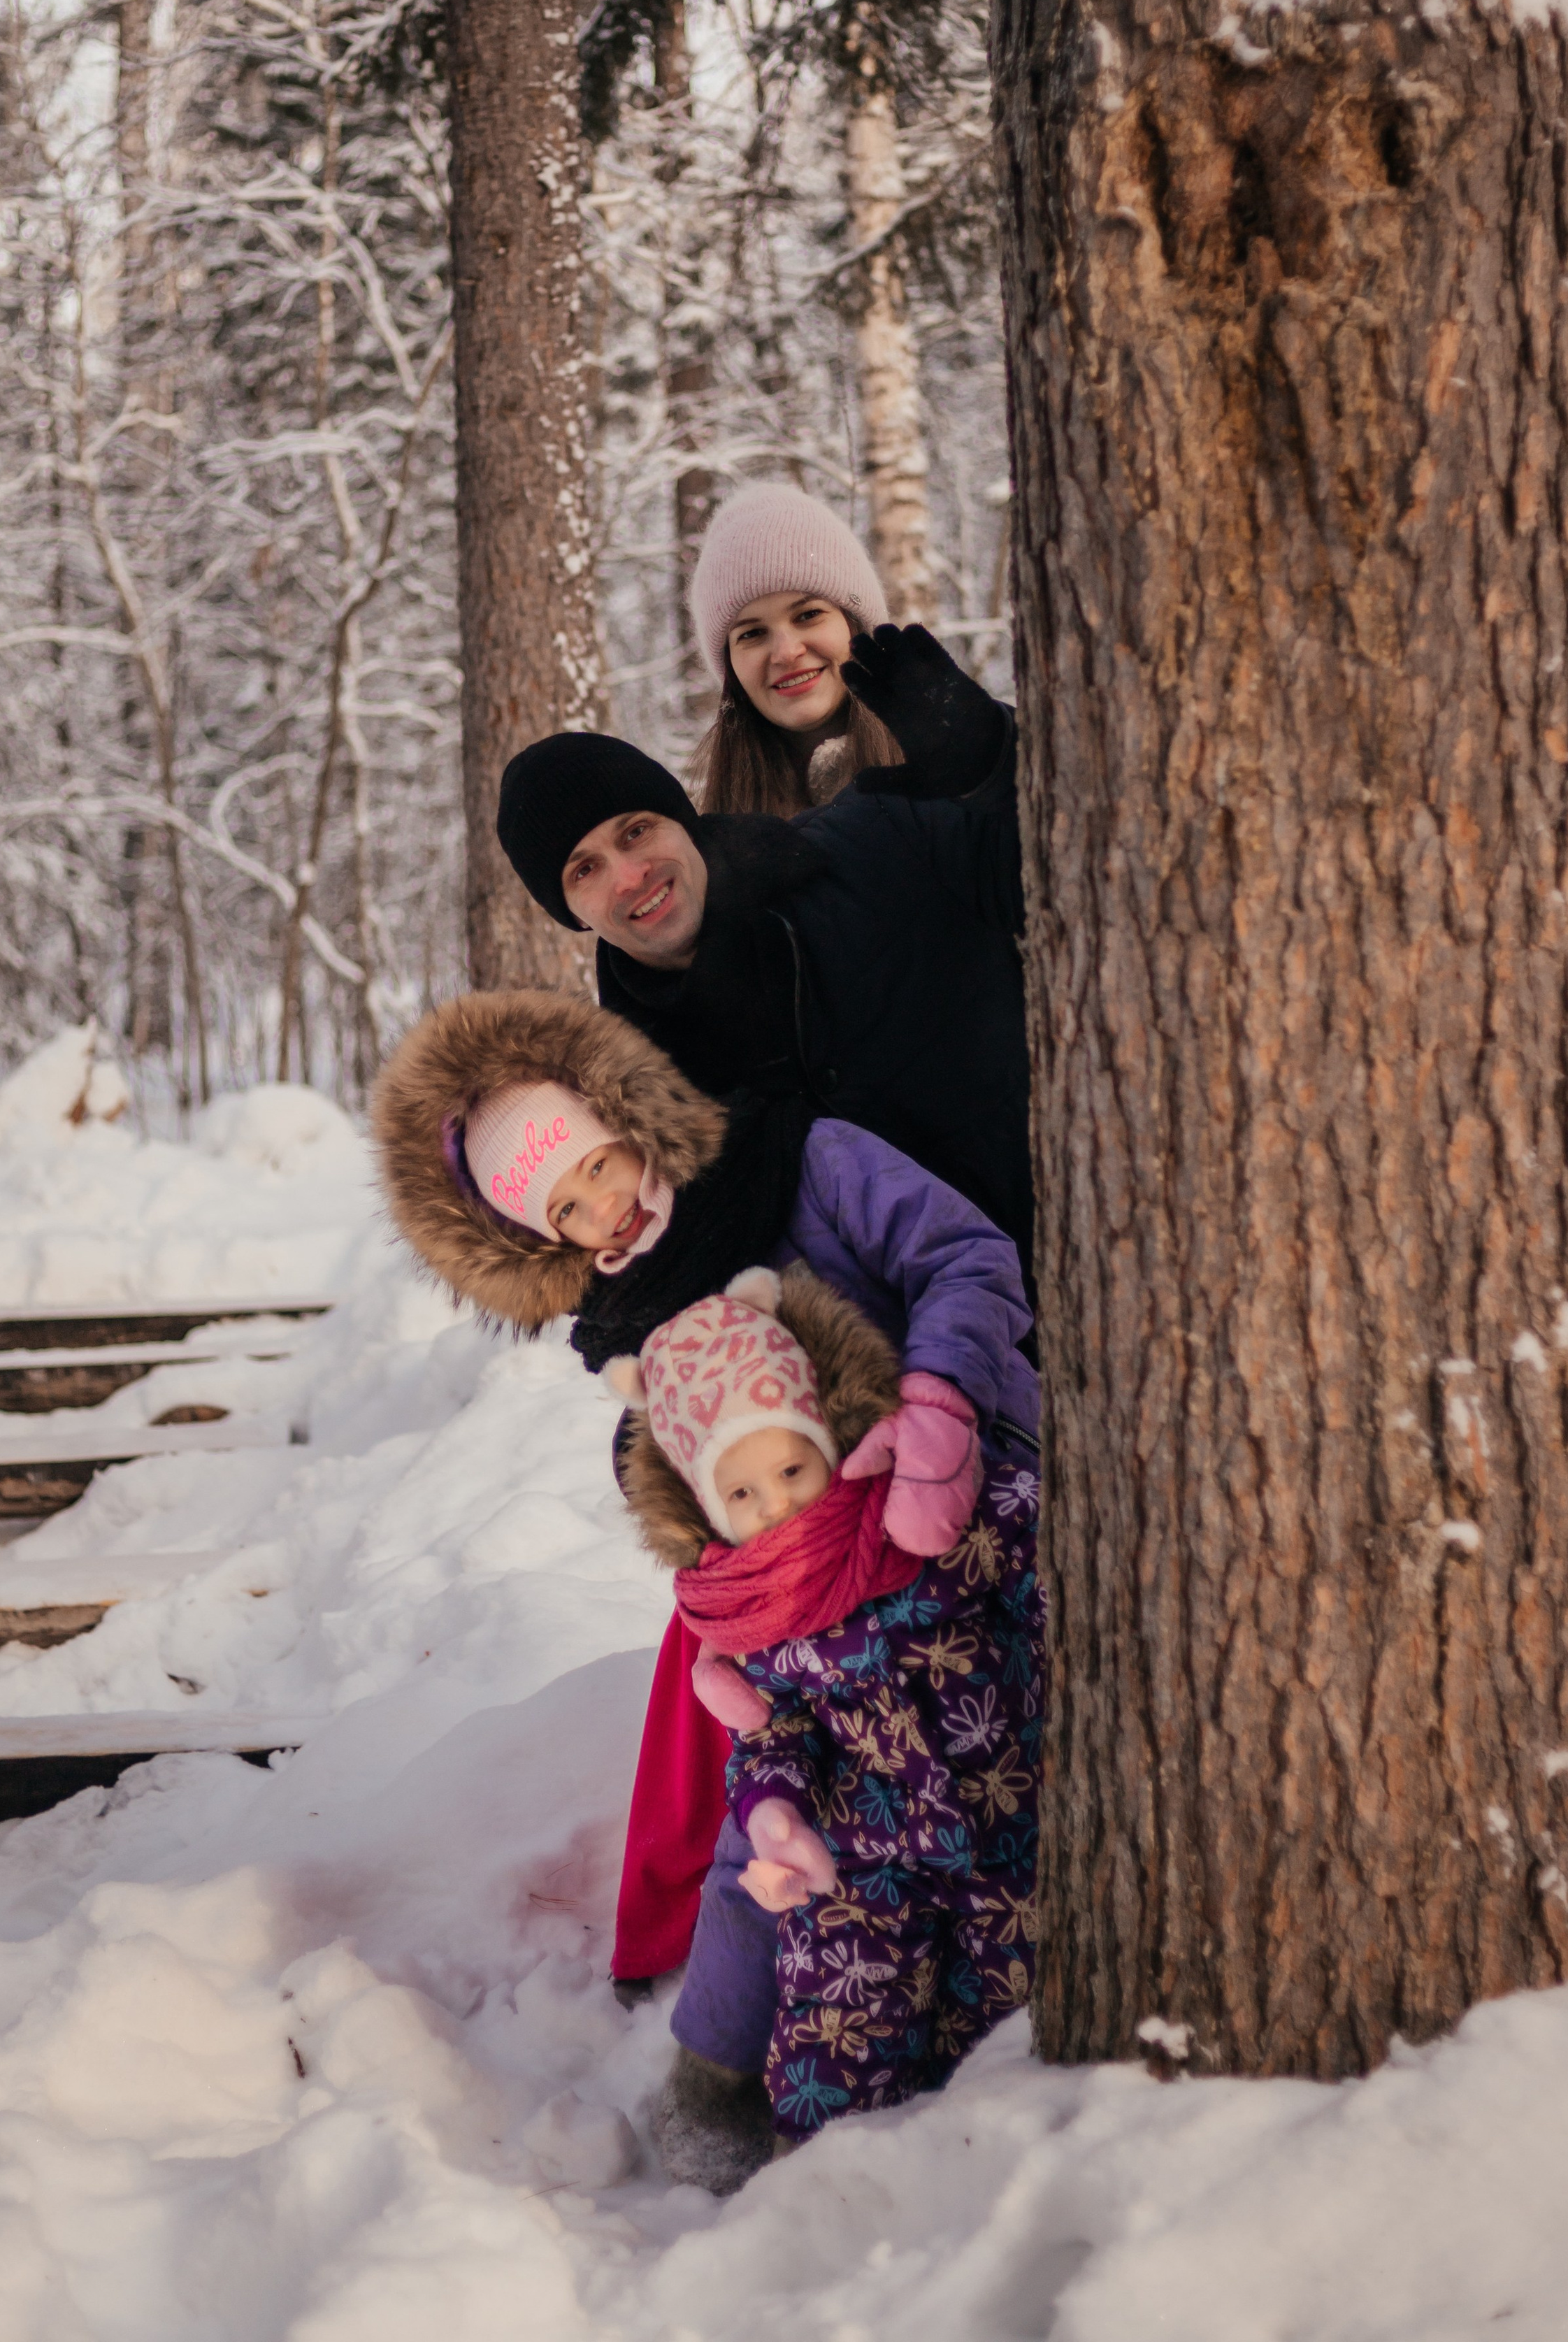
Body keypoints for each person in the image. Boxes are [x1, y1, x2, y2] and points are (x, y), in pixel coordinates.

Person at [369, 986, 1039, 2189]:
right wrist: (709, 1545)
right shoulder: (624, 1309)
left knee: (1005, 1757)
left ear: (629, 1114)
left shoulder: (803, 1156)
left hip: (966, 1487)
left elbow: (966, 1256)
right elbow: (660, 1450)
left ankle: (997, 2033)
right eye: (564, 1210)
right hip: (804, 1565)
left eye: (599, 1166)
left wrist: (941, 1406)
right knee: (772, 1808)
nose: (602, 1210)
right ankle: (718, 2077)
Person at [608, 1267, 1042, 2148]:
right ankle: (821, 2190)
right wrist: (772, 1813)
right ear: (707, 1509)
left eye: (792, 1468)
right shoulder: (750, 1607)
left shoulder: (933, 1514)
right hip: (859, 1869)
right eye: (741, 1494)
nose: (777, 1505)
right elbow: (775, 1734)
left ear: (829, 1437)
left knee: (999, 2056)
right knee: (830, 2064)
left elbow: (1046, 1574)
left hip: (1010, 1836)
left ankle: (970, 2181)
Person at [494, 687, 1037, 1304]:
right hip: (944, 1356)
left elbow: (1057, 854)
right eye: (584, 870)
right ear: (570, 912)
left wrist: (993, 752)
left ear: (680, 817)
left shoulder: (877, 838)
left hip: (1092, 1252)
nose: (629, 877)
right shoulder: (642, 1115)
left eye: (636, 832)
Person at [685, 482, 905, 814]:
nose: (787, 652)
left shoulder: (956, 780)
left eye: (808, 615)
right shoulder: (710, 835)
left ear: (855, 624)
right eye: (752, 634)